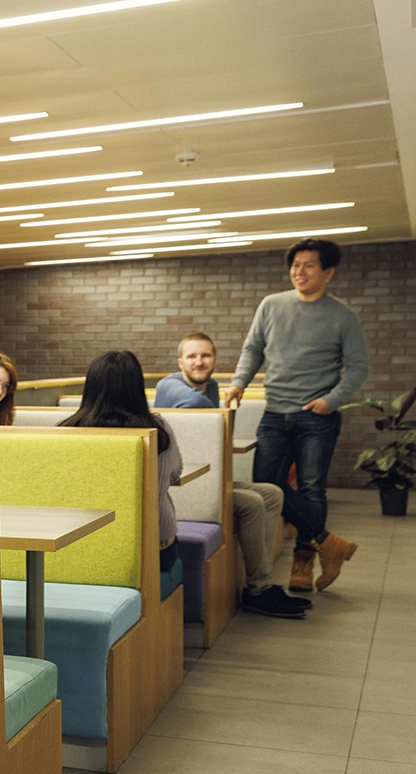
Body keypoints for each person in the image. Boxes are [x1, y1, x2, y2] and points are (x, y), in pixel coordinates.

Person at [227, 238, 369, 593]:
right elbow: (252, 349)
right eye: (295, 265)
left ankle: (303, 564)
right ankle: (328, 542)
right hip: (275, 412)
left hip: (316, 417)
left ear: (328, 272)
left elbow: (358, 368)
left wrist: (331, 400)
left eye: (308, 265)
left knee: (311, 487)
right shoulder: (271, 305)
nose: (299, 271)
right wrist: (238, 383)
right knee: (266, 485)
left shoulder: (342, 315)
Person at [154, 333, 307, 619]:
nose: (199, 362)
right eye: (192, 356)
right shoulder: (170, 386)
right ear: (180, 362)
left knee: (272, 493)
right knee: (251, 503)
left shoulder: (211, 386)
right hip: (178, 486)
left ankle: (260, 582)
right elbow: (203, 414)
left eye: (205, 356)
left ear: (215, 359)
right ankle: (259, 589)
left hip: (206, 479)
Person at [60, 351, 183, 576]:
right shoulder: (158, 428)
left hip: (82, 547)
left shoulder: (68, 430)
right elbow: (176, 473)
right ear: (136, 388)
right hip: (156, 549)